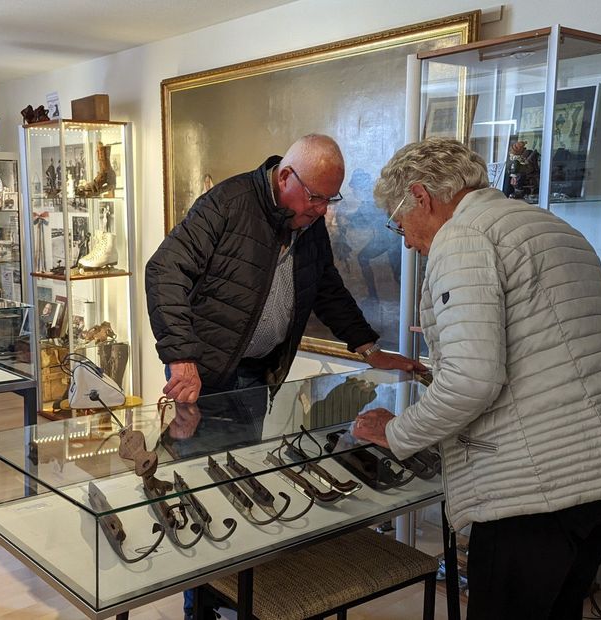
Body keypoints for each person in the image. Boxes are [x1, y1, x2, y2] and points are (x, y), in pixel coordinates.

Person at [353, 137, 601, 620]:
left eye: (399, 221)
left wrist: (397, 432)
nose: (404, 238)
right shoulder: (547, 223)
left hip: (542, 483)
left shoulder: (462, 236)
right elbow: (545, 336)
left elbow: (473, 381)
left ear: (421, 196)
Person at [146, 134, 423, 620]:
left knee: (239, 480)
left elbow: (326, 287)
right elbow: (165, 270)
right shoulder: (228, 204)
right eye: (314, 196)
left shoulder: (307, 222)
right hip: (205, 375)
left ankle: (236, 592)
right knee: (197, 486)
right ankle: (199, 607)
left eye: (328, 198)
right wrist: (181, 355)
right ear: (285, 176)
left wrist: (369, 348)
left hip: (258, 372)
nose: (320, 208)